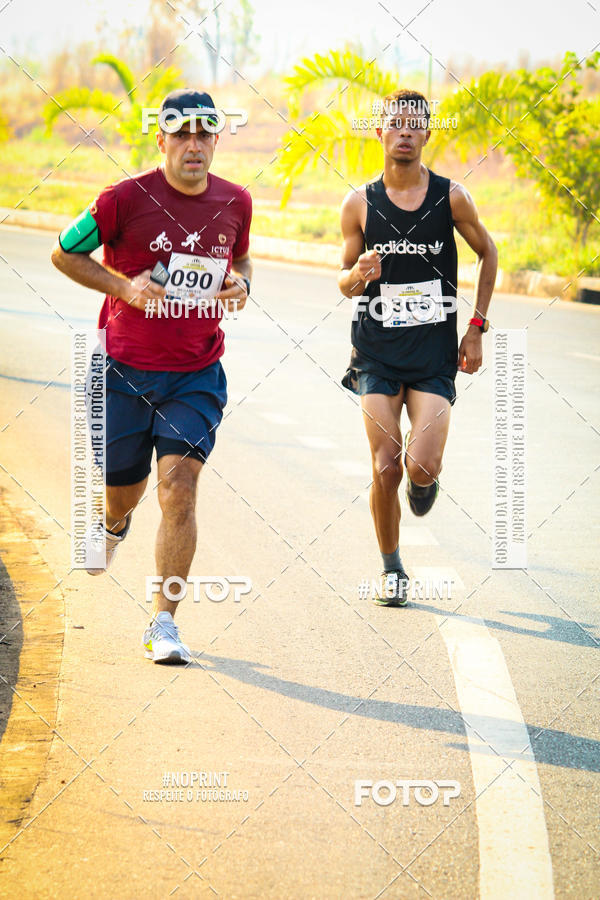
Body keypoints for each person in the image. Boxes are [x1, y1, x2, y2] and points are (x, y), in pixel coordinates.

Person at [51, 89, 253, 661]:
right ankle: (114, 524)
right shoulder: (123, 199)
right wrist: (124, 287)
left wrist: (242, 283)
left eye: (204, 133)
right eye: (181, 133)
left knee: (179, 491)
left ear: (216, 139)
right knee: (123, 489)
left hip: (195, 373)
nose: (193, 144)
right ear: (161, 139)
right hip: (123, 371)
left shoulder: (235, 201)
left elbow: (239, 259)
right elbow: (64, 253)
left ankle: (164, 623)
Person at [339, 89, 497, 607]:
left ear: (427, 134)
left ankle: (422, 482)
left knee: (421, 466)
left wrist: (476, 326)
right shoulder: (359, 203)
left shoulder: (452, 197)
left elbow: (488, 251)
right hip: (376, 353)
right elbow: (343, 281)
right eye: (395, 123)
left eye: (414, 124)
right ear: (380, 132)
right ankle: (391, 569)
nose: (404, 131)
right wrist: (358, 274)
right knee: (385, 465)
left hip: (433, 355)